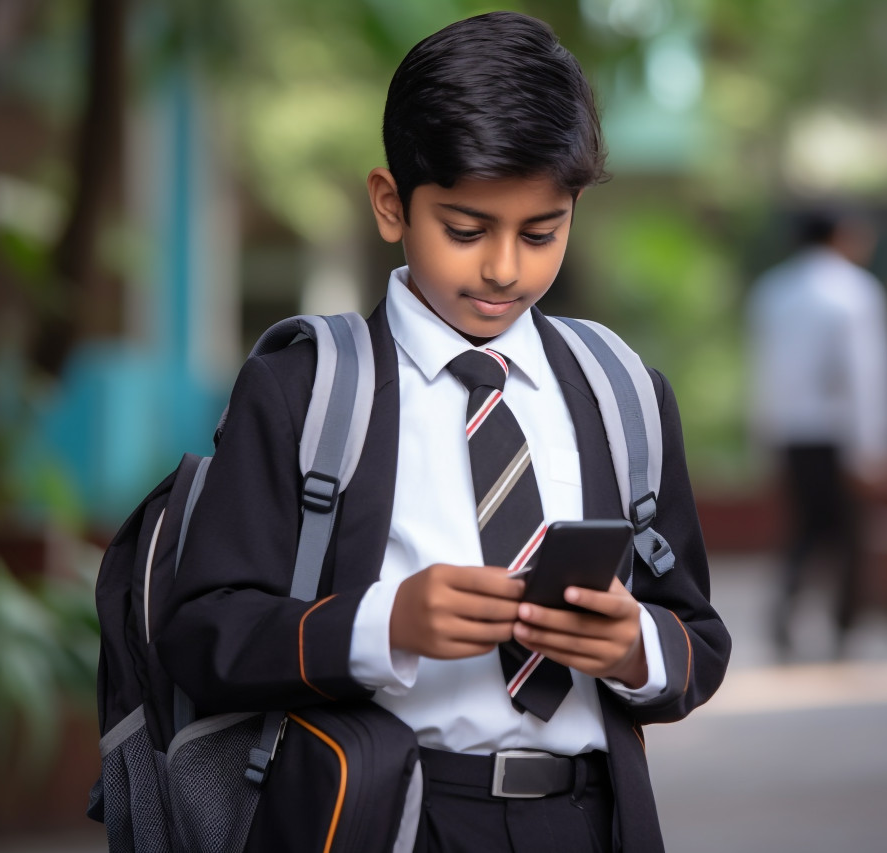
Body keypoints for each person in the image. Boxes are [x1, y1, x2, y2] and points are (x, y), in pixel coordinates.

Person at [156, 12, 730, 853]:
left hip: (587, 819)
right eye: (466, 230)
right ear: (391, 203)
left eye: (543, 232)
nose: (505, 268)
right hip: (388, 814)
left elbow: (698, 639)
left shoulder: (621, 392)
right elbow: (202, 632)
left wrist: (632, 643)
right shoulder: (304, 392)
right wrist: (384, 623)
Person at [746, 208, 887, 656]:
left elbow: (764, 371)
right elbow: (866, 374)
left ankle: (785, 614)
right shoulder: (856, 291)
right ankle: (845, 626)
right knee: (850, 535)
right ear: (842, 234)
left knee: (803, 530)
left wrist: (764, 437)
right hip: (840, 432)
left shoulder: (772, 290)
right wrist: (873, 444)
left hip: (791, 432)